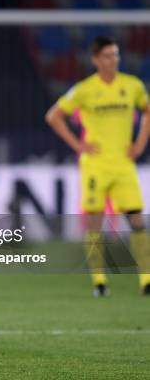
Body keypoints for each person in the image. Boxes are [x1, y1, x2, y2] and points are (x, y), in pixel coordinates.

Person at [46, 36, 150, 297]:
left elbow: (148, 111)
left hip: (124, 165)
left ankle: (146, 280)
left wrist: (139, 144)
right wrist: (78, 145)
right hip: (95, 166)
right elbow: (53, 116)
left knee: (137, 221)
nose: (112, 60)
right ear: (95, 60)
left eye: (115, 54)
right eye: (107, 56)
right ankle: (99, 282)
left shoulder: (133, 85)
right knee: (95, 223)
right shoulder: (84, 89)